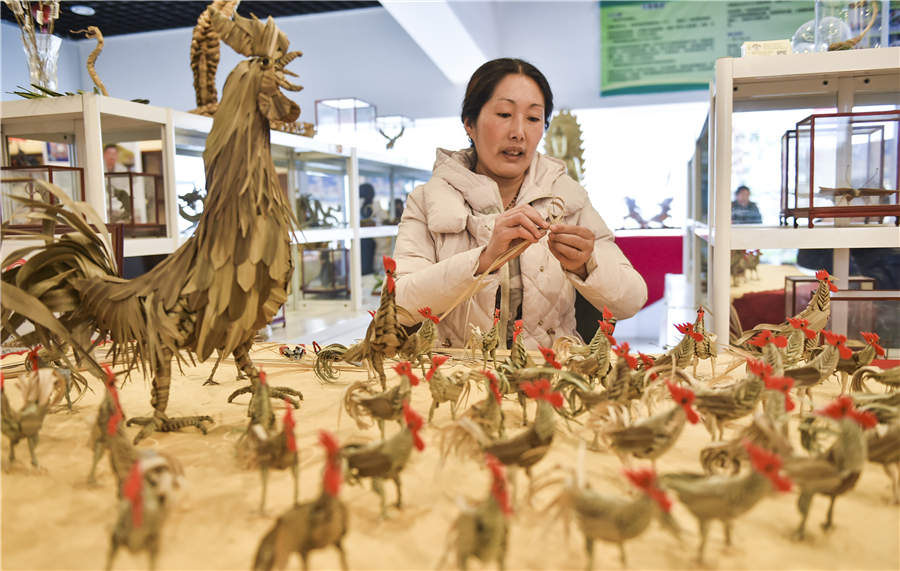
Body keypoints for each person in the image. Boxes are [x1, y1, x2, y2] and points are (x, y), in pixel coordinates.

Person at [392, 58, 647, 349]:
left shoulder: (569, 200)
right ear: (469, 124)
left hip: (548, 373)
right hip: (459, 374)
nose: (518, 132)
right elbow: (400, 304)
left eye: (533, 118)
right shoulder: (428, 201)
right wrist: (484, 260)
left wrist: (587, 267)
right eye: (503, 114)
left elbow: (631, 300)